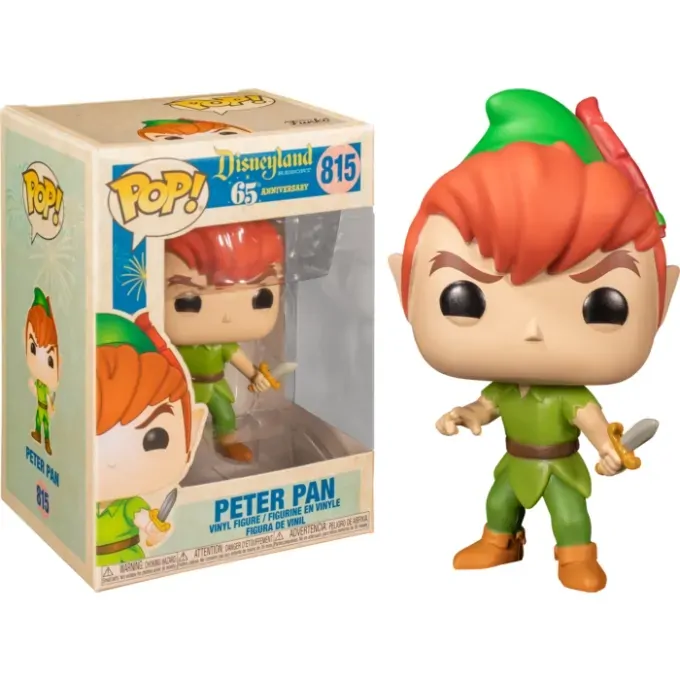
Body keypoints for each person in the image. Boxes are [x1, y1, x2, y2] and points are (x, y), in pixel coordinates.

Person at [389, 89, 678, 592]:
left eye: (604, 304)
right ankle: (499, 542)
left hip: (560, 465)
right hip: (515, 459)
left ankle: (576, 557)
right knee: (499, 501)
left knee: (570, 513)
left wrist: (607, 449)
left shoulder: (569, 396)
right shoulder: (506, 389)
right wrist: (465, 414)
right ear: (404, 289)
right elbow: (486, 407)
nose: (532, 330)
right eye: (465, 299)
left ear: (663, 301)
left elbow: (592, 424)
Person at [165, 221, 284, 462]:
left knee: (226, 415)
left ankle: (227, 442)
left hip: (216, 385)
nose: (227, 317)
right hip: (183, 387)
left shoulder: (223, 345)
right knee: (178, 419)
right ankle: (176, 448)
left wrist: (255, 376)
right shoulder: (175, 347)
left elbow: (239, 359)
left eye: (261, 298)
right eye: (188, 302)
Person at [95, 311, 206, 566]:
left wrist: (156, 531)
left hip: (128, 562)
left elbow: (147, 523)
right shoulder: (80, 503)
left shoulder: (130, 506)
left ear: (192, 429)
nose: (112, 461)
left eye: (155, 438)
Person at [25, 287, 59, 455]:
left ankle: (47, 442)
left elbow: (50, 397)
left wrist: (52, 406)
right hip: (40, 407)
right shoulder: (39, 383)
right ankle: (37, 435)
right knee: (38, 421)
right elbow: (33, 388)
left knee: (45, 424)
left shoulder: (45, 386)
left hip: (44, 407)